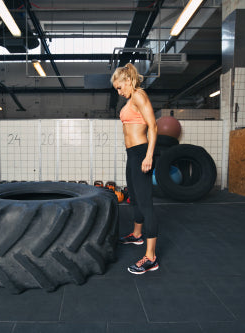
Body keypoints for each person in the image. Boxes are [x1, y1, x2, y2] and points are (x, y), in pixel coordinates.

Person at [111, 63, 158, 274]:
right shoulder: (131, 99)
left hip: (141, 153)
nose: (119, 93)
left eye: (120, 88)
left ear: (128, 81)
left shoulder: (139, 95)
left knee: (146, 204)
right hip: (132, 155)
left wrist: (149, 155)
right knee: (134, 198)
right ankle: (137, 235)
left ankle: (151, 257)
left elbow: (153, 126)